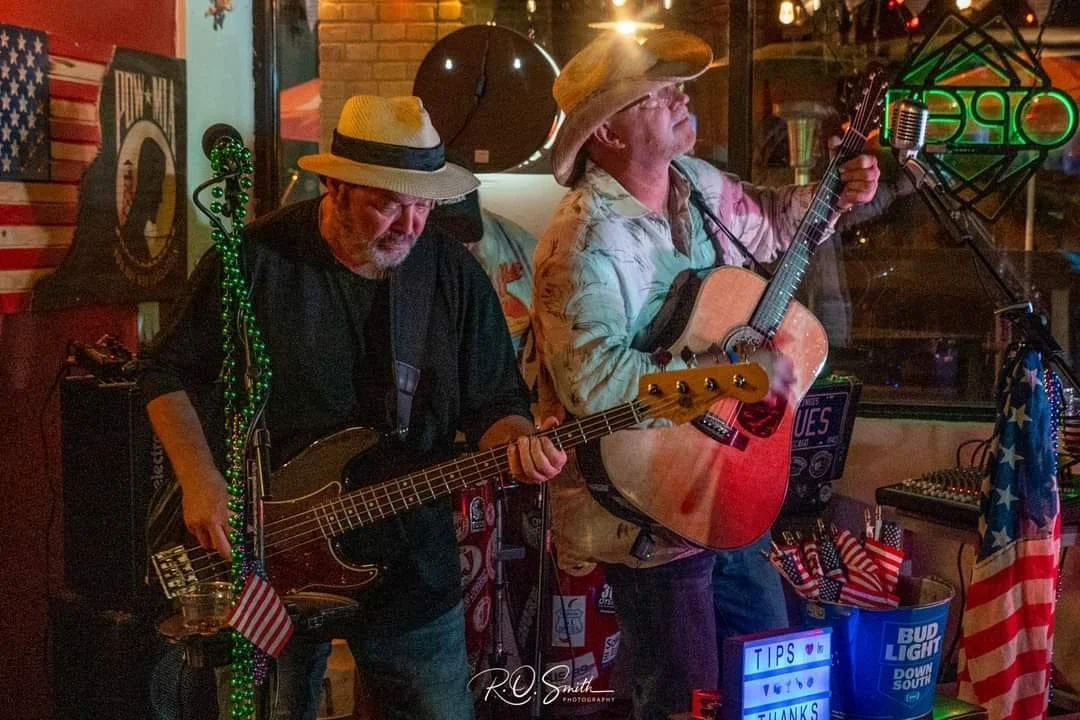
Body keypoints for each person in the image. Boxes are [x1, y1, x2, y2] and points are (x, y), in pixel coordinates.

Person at [139, 95, 567, 720]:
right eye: (388, 203)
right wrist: (200, 480)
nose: (410, 225)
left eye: (423, 204)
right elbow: (165, 371)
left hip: (410, 563)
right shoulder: (255, 261)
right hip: (269, 553)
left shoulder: (451, 274)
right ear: (332, 186)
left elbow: (495, 404)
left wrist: (518, 444)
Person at [531, 31, 880, 720]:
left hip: (726, 487)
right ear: (605, 131)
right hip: (648, 508)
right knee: (685, 697)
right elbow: (597, 385)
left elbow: (775, 226)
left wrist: (833, 196)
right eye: (656, 94)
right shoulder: (583, 241)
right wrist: (724, 379)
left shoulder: (698, 184)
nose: (680, 96)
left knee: (772, 680)